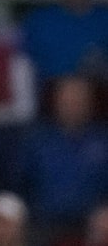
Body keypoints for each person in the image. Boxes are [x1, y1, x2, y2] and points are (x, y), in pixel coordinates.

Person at [14, 73, 108, 236]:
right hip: (44, 224)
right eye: (67, 97)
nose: (73, 103)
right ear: (56, 101)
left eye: (79, 97)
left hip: (95, 225)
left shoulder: (103, 138)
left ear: (90, 101)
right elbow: (20, 184)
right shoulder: (38, 140)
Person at [21, 0, 108, 86]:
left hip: (97, 93)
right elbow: (25, 65)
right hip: (50, 93)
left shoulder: (104, 18)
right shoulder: (39, 20)